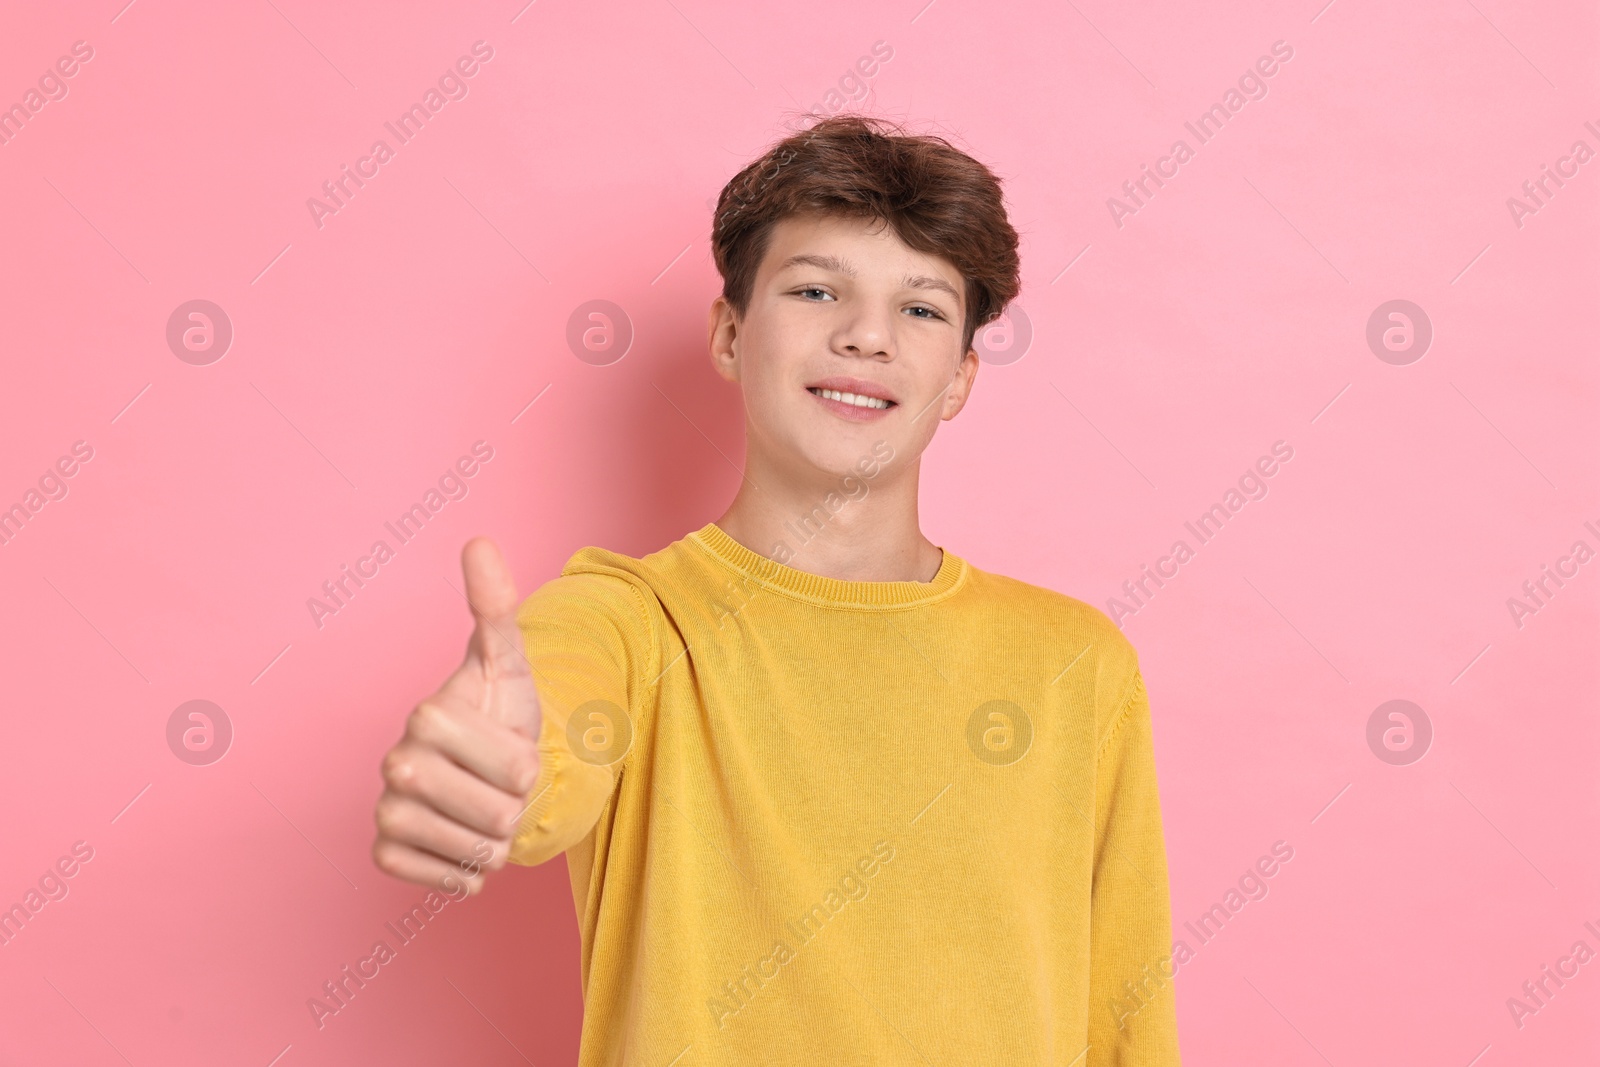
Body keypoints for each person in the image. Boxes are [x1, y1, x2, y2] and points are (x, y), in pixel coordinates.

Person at [372, 113, 1182, 1065]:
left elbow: (1124, 1019)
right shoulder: (630, 621)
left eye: (920, 308)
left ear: (959, 377)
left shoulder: (1074, 660)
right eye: (813, 289)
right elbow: (548, 737)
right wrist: (494, 773)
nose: (866, 336)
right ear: (728, 334)